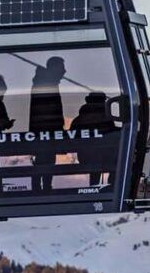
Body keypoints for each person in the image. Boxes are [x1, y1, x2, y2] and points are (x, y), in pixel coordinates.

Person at [28, 57, 66, 193]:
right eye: (61, 68)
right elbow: (48, 111)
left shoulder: (44, 83)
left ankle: (41, 188)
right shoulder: (46, 84)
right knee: (46, 160)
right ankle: (43, 189)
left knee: (44, 160)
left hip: (44, 133)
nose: (64, 71)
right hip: (46, 133)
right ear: (54, 68)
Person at [70, 92, 119, 187]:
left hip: (87, 157)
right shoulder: (106, 118)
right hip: (102, 158)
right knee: (116, 165)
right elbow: (111, 135)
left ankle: (97, 187)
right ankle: (111, 187)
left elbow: (73, 140)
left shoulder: (78, 120)